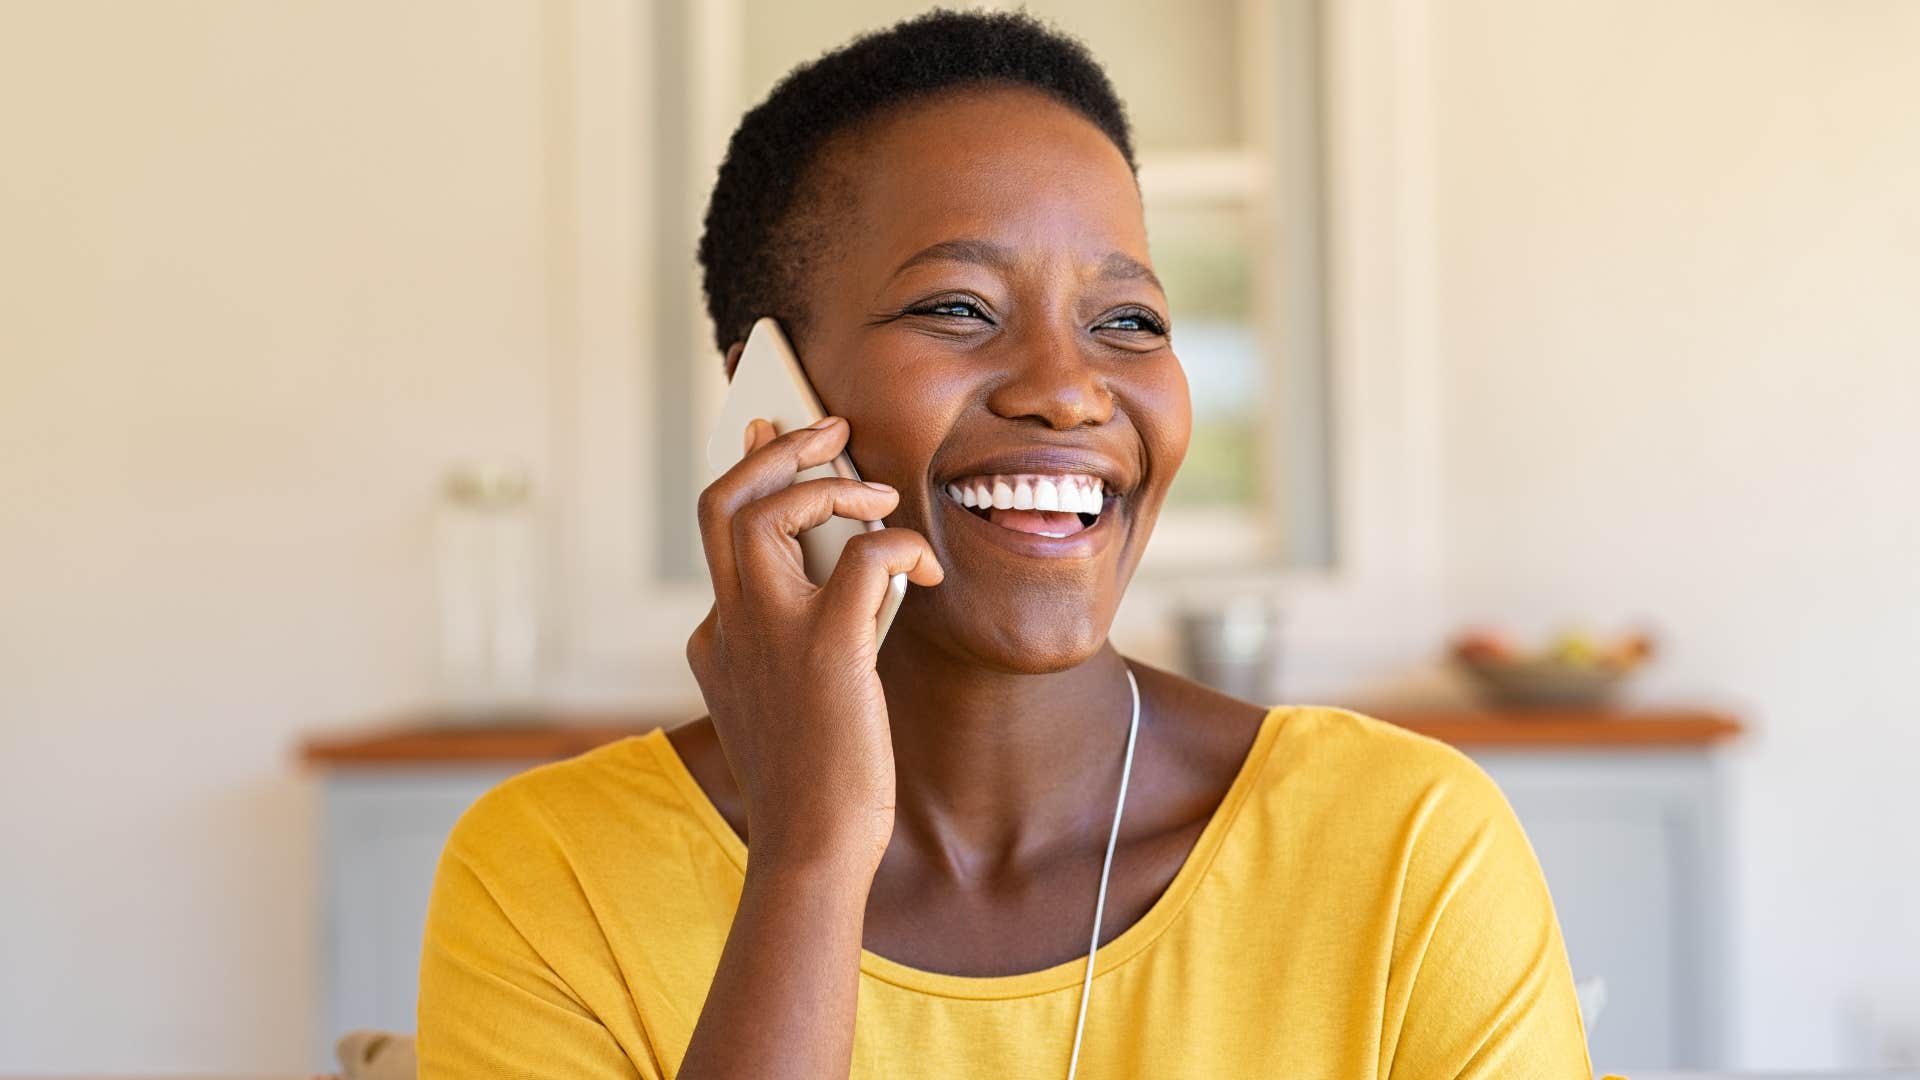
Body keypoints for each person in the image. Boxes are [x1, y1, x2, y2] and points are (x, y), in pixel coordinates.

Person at [416, 11, 1594, 1078]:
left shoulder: (1404, 844)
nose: (1071, 392)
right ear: (769, 403)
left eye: (1128, 322)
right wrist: (811, 861)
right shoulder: (547, 875)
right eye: (959, 308)